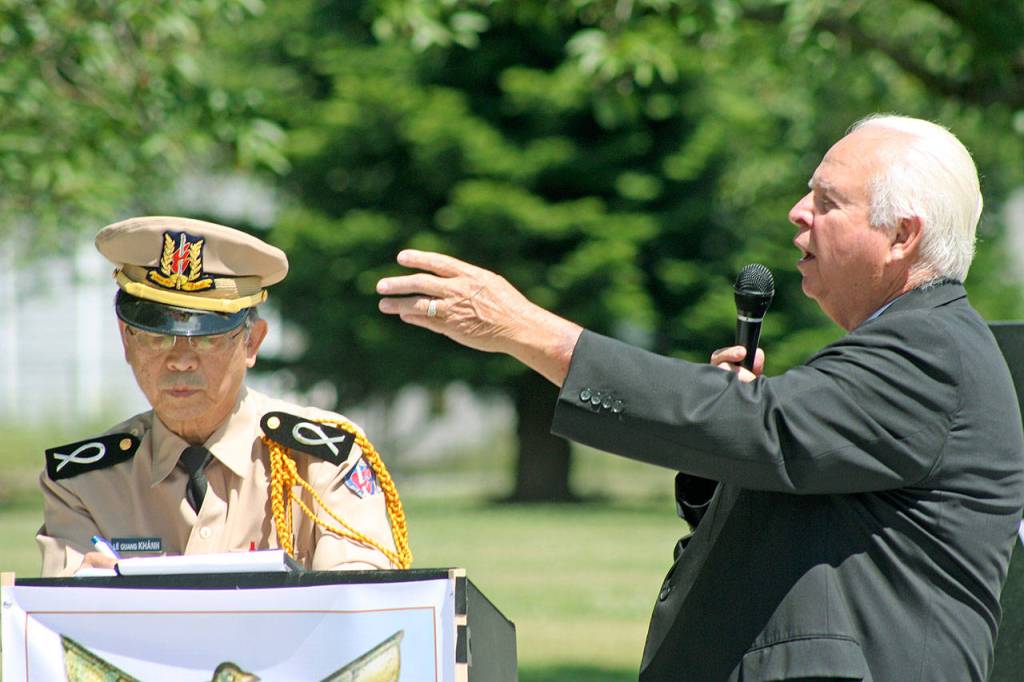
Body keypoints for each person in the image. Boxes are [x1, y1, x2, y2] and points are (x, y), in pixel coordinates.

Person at [376, 115, 1024, 680]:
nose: (799, 212)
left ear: (903, 236)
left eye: (827, 201)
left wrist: (524, 329)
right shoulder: (910, 346)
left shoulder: (928, 348)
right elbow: (797, 489)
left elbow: (767, 432)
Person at [38, 216, 411, 577]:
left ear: (252, 342)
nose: (181, 360)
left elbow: (356, 600)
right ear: (126, 341)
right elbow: (65, 622)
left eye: (207, 339)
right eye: (158, 337)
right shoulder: (84, 482)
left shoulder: (319, 460)